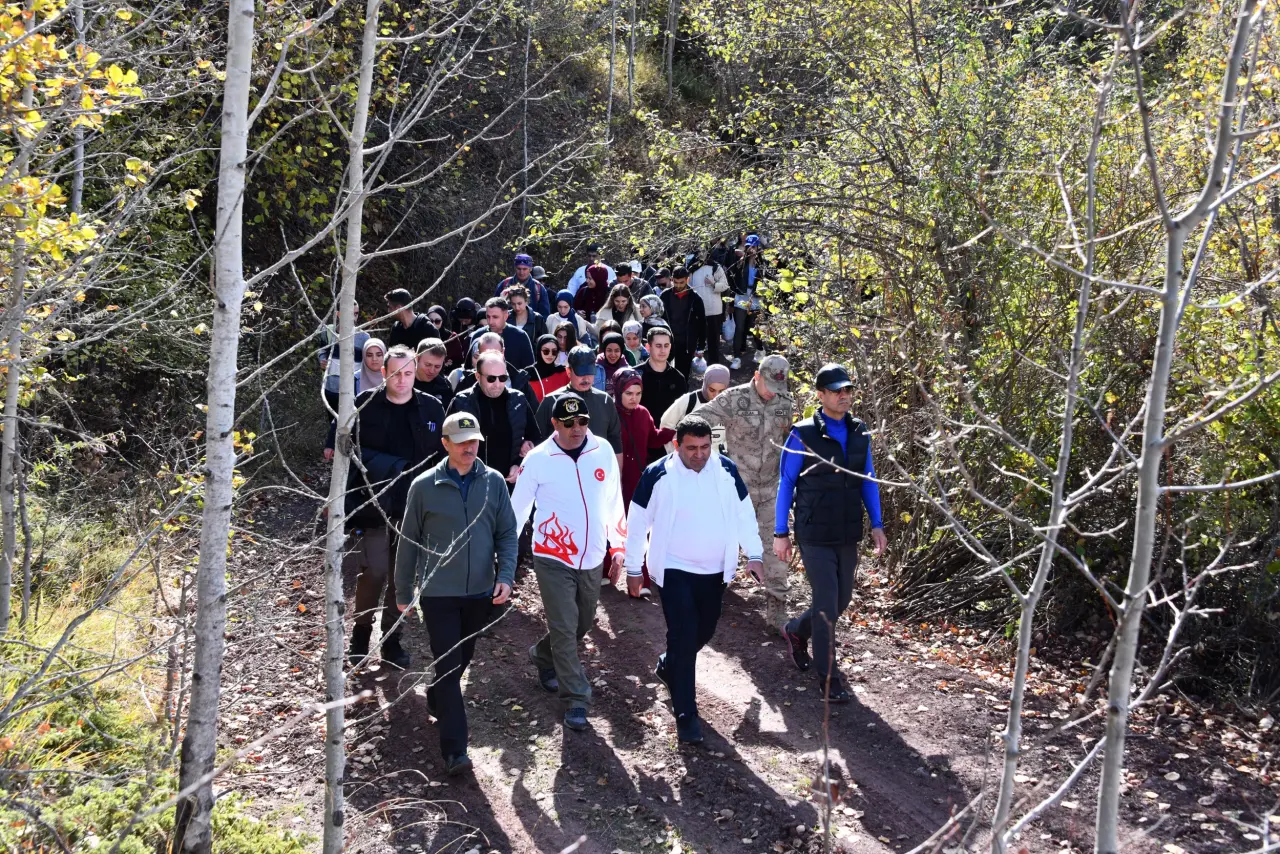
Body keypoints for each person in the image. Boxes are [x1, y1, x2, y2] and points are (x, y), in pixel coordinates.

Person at [623, 415, 764, 743]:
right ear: (677, 445)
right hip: (673, 569)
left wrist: (754, 554)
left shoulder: (726, 470)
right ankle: (686, 714)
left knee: (705, 628)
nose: (699, 454)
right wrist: (633, 569)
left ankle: (670, 664)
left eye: (704, 447)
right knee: (684, 632)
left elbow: (744, 513)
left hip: (716, 570)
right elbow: (637, 521)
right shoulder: (657, 474)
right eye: (692, 448)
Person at [395, 411, 517, 776]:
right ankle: (455, 750)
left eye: (474, 440)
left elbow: (507, 534)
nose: (470, 447)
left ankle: (434, 696)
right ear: (445, 444)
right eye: (462, 441)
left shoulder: (493, 482)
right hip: (438, 594)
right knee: (449, 667)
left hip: (479, 593)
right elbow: (408, 542)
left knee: (461, 659)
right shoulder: (423, 486)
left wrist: (506, 576)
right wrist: (404, 591)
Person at [511, 394, 626, 732]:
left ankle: (542, 656)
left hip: (592, 555)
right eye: (569, 423)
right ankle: (576, 697)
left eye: (583, 422)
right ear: (554, 424)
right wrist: (503, 559)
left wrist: (618, 546)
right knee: (564, 626)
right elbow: (517, 511)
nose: (577, 429)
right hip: (552, 556)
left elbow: (613, 501)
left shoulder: (602, 449)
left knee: (582, 623)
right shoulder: (538, 458)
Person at [775, 363, 886, 704]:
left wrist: (877, 525)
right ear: (820, 395)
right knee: (826, 602)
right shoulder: (802, 434)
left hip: (847, 530)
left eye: (848, 390)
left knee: (840, 601)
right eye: (837, 391)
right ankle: (828, 677)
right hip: (813, 532)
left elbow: (868, 480)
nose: (844, 396)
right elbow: (787, 483)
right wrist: (782, 532)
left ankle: (796, 631)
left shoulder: (860, 431)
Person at [345, 345, 446, 670]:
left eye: (407, 373)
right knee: (373, 573)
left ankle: (392, 640)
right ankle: (361, 635)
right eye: (394, 373)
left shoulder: (431, 408)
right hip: (373, 504)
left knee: (403, 578)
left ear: (414, 372)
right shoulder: (365, 404)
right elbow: (349, 449)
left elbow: (441, 457)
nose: (401, 380)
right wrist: (392, 467)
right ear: (383, 372)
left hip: (414, 509)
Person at [691, 355, 793, 632]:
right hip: (737, 489)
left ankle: (777, 614)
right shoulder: (734, 398)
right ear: (757, 376)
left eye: (778, 386)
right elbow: (697, 419)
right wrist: (706, 453)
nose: (773, 391)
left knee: (775, 551)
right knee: (720, 546)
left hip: (771, 490)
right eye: (769, 384)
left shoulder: (786, 404)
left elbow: (790, 446)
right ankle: (706, 595)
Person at [447, 351, 541, 486]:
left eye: (502, 378)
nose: (497, 384)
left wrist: (520, 464)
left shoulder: (518, 400)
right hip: (469, 483)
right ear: (477, 376)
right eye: (491, 378)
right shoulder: (461, 402)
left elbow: (536, 439)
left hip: (508, 483)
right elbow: (446, 443)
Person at [535, 345, 624, 463]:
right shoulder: (551, 401)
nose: (586, 378)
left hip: (598, 473)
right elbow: (537, 445)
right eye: (581, 372)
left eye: (590, 372)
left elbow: (615, 443)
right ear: (568, 371)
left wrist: (617, 479)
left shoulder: (605, 401)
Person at [324, 336, 386, 462]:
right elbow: (342, 413)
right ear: (363, 356)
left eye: (379, 354)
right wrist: (330, 444)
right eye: (369, 355)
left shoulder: (394, 378)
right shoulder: (354, 380)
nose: (374, 359)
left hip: (387, 441)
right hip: (359, 441)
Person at [637, 328, 687, 459]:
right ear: (648, 347)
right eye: (658, 346)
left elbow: (684, 414)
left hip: (669, 444)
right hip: (640, 441)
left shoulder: (678, 379)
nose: (663, 350)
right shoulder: (636, 376)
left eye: (666, 345)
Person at [660, 363, 730, 452]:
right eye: (712, 390)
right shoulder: (689, 401)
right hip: (689, 461)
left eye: (721, 391)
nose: (716, 395)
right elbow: (666, 426)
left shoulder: (731, 405)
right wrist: (675, 454)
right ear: (705, 384)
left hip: (717, 461)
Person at [726, 235, 767, 369]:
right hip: (741, 297)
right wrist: (731, 303)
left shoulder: (763, 264)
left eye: (753, 246)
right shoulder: (740, 262)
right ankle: (736, 357)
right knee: (739, 328)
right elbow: (732, 280)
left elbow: (768, 280)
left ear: (758, 247)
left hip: (755, 298)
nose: (751, 249)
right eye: (748, 246)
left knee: (754, 327)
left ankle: (760, 350)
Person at [452, 331, 533, 399]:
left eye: (502, 378)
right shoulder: (467, 382)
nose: (491, 358)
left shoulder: (520, 380)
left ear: (503, 352)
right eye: (485, 354)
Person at [659, 267, 706, 380]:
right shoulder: (665, 296)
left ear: (687, 280)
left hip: (687, 343)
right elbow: (658, 318)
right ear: (671, 280)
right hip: (667, 341)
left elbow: (702, 323)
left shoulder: (695, 299)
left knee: (683, 375)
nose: (679, 286)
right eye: (676, 282)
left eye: (682, 282)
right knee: (663, 372)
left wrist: (701, 347)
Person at [470, 296, 535, 371]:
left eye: (495, 317)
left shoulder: (520, 336)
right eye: (488, 317)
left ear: (506, 316)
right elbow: (469, 368)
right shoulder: (478, 335)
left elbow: (530, 369)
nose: (490, 321)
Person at [688, 255, 730, 365]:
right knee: (696, 338)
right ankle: (695, 364)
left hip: (713, 310)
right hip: (697, 310)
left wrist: (713, 283)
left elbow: (725, 286)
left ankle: (714, 364)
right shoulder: (692, 268)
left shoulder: (716, 267)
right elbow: (688, 286)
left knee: (713, 339)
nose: (701, 255)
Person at [528, 333, 571, 403]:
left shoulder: (563, 372)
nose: (550, 355)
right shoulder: (528, 374)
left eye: (554, 352)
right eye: (546, 351)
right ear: (539, 350)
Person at [414, 337, 453, 410]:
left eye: (437, 366)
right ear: (417, 358)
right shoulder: (404, 383)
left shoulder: (445, 386)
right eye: (428, 365)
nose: (432, 371)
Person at [446, 297, 480, 368]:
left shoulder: (479, 321)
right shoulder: (456, 322)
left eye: (466, 321)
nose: (463, 323)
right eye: (461, 321)